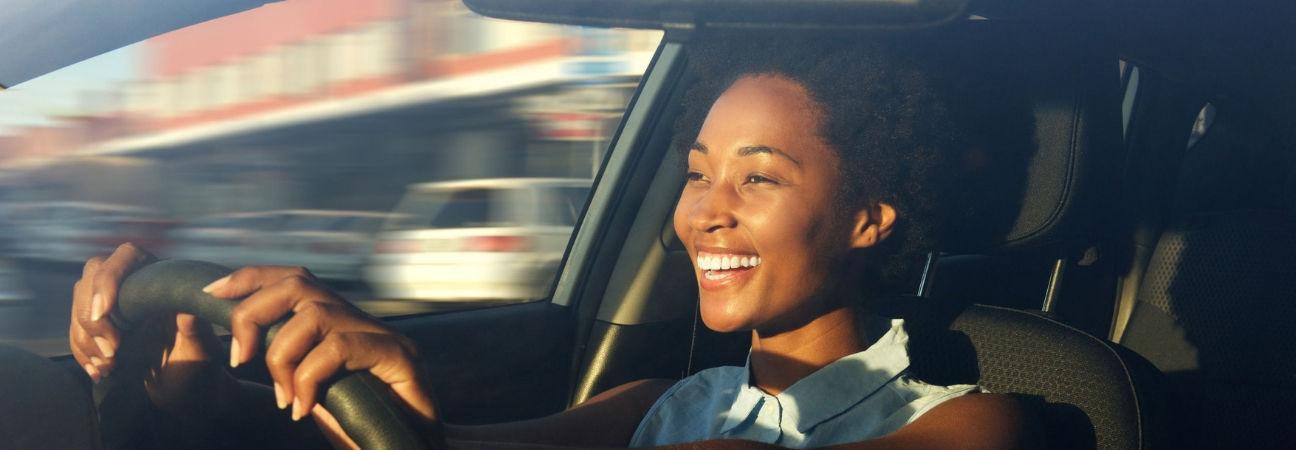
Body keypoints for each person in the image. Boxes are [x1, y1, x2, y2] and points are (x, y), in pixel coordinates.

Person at [68, 34, 1041, 450]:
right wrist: (199, 386)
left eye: (759, 176)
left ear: (873, 217)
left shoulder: (980, 423)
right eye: (698, 171)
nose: (706, 210)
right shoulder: (666, 401)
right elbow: (435, 448)